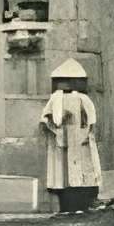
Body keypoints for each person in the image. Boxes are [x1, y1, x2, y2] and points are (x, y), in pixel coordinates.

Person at [40, 58, 102, 214]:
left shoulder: (83, 99)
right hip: (63, 142)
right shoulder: (55, 99)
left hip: (81, 142)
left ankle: (83, 205)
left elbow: (91, 120)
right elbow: (46, 118)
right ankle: (67, 207)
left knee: (82, 173)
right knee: (63, 175)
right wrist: (58, 126)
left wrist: (84, 135)